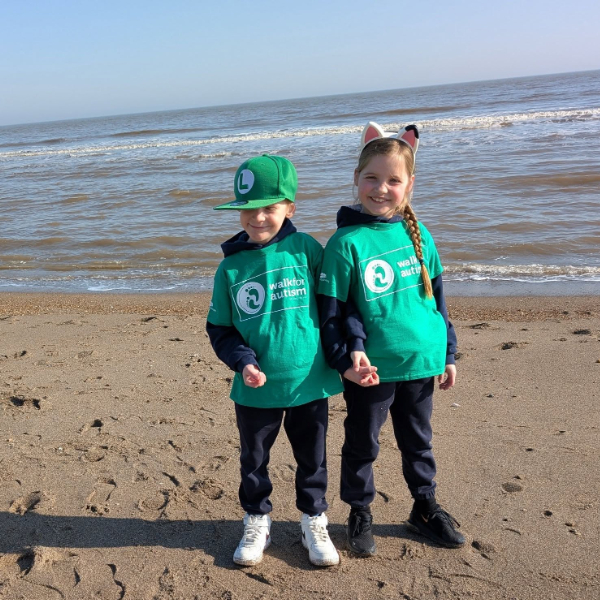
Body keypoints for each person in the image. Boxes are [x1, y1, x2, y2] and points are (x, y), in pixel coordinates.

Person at [318, 122, 465, 556]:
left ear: (409, 185)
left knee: (418, 441)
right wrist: (344, 361)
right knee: (363, 442)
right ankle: (359, 510)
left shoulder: (419, 234)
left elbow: (437, 301)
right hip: (371, 370)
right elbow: (332, 315)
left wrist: (448, 352)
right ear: (356, 179)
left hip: (421, 361)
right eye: (372, 178)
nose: (381, 189)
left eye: (393, 181)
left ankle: (425, 507)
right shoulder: (345, 243)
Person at [206, 154, 342, 568]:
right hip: (255, 389)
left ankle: (313, 520)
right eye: (248, 208)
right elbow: (221, 329)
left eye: (269, 207)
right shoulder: (230, 268)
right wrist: (243, 361)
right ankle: (257, 519)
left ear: (290, 208)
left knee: (312, 459)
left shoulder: (307, 250)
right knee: (254, 461)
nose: (258, 217)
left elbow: (334, 307)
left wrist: (347, 354)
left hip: (308, 383)